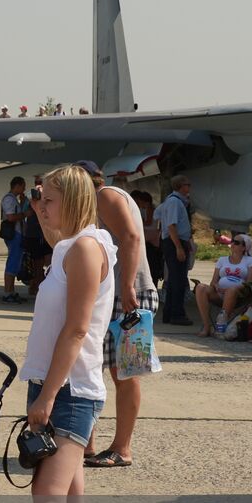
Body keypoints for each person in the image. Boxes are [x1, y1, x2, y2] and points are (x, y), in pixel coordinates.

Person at [8, 165, 116, 503]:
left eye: (48, 198)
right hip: (54, 383)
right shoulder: (69, 247)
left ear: (72, 201)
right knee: (70, 500)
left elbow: (76, 330)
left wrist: (47, 397)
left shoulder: (87, 250)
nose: (40, 205)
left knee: (47, 501)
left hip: (69, 390)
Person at [84, 167, 159, 469]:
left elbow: (130, 238)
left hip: (129, 295)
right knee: (92, 368)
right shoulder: (97, 201)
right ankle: (85, 444)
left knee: (124, 372)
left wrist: (128, 286)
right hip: (113, 295)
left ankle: (122, 448)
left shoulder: (106, 196)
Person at [194, 234, 252, 337]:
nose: (232, 244)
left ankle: (221, 324)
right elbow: (213, 281)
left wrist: (234, 288)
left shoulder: (250, 261)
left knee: (231, 290)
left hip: (238, 295)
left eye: (236, 243)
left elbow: (249, 283)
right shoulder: (222, 260)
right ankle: (206, 326)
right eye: (232, 241)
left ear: (244, 247)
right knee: (200, 287)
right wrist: (217, 286)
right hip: (219, 293)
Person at [153, 176, 195, 326]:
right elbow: (171, 226)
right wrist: (178, 247)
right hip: (175, 242)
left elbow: (157, 214)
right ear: (180, 186)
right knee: (178, 280)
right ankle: (177, 313)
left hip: (175, 241)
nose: (189, 187)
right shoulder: (174, 202)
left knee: (174, 280)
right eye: (187, 184)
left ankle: (169, 313)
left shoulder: (172, 201)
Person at [0, 177, 29, 304]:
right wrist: (25, 214)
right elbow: (10, 217)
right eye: (23, 186)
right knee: (12, 262)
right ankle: (7, 292)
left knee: (15, 261)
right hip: (14, 233)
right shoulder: (9, 199)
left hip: (17, 233)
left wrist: (22, 204)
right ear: (16, 186)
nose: (24, 189)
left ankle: (11, 291)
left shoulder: (14, 200)